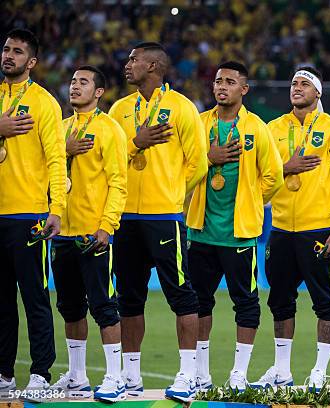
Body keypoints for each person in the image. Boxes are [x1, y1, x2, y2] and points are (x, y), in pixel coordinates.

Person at [108, 42, 207, 402]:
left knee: (181, 295)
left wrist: (172, 195)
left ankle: (187, 374)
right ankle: (130, 376)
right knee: (128, 299)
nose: (127, 64)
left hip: (164, 216)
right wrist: (136, 142)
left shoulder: (182, 108)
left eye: (133, 59)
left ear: (153, 66)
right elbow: (113, 157)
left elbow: (198, 163)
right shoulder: (119, 109)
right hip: (125, 218)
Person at [252, 67, 330, 391]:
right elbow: (262, 175)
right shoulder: (274, 127)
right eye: (294, 82)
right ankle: (282, 371)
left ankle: (320, 372)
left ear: (318, 93)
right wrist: (286, 168)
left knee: (326, 301)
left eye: (304, 83)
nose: (296, 87)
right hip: (280, 228)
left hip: (318, 228)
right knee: (279, 300)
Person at [186, 61, 283, 391]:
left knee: (246, 304)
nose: (221, 86)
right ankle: (200, 372)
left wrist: (253, 200)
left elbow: (274, 175)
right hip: (201, 231)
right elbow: (182, 173)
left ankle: (239, 373)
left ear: (244, 89)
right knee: (199, 302)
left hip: (239, 233)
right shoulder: (199, 125)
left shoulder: (257, 128)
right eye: (217, 81)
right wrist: (208, 159)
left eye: (229, 81)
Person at [50, 66, 128, 402]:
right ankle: (78, 377)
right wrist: (64, 149)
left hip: (92, 233)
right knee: (70, 308)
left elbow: (118, 182)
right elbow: (47, 176)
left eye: (83, 82)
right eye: (72, 81)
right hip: (62, 233)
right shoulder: (59, 129)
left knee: (103, 306)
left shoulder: (110, 129)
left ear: (99, 93)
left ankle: (115, 376)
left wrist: (107, 225)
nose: (75, 86)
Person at [0, 28, 65, 396]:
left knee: (35, 297)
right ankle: (4, 372)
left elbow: (57, 160)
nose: (9, 55)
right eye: (6, 49)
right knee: (1, 302)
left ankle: (41, 373)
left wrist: (57, 208)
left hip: (29, 215)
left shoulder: (44, 103)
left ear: (32, 62)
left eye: (18, 51)